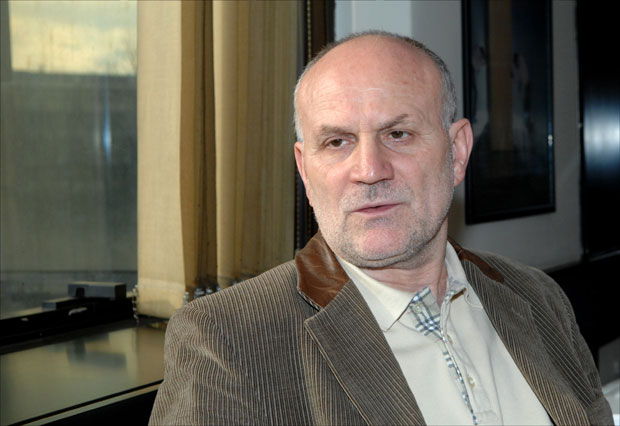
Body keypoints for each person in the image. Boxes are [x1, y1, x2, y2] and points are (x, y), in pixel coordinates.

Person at [150, 31, 612, 425]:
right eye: (337, 142)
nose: (369, 170)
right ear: (305, 170)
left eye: (398, 134)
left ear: (457, 152)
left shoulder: (538, 297)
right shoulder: (226, 341)